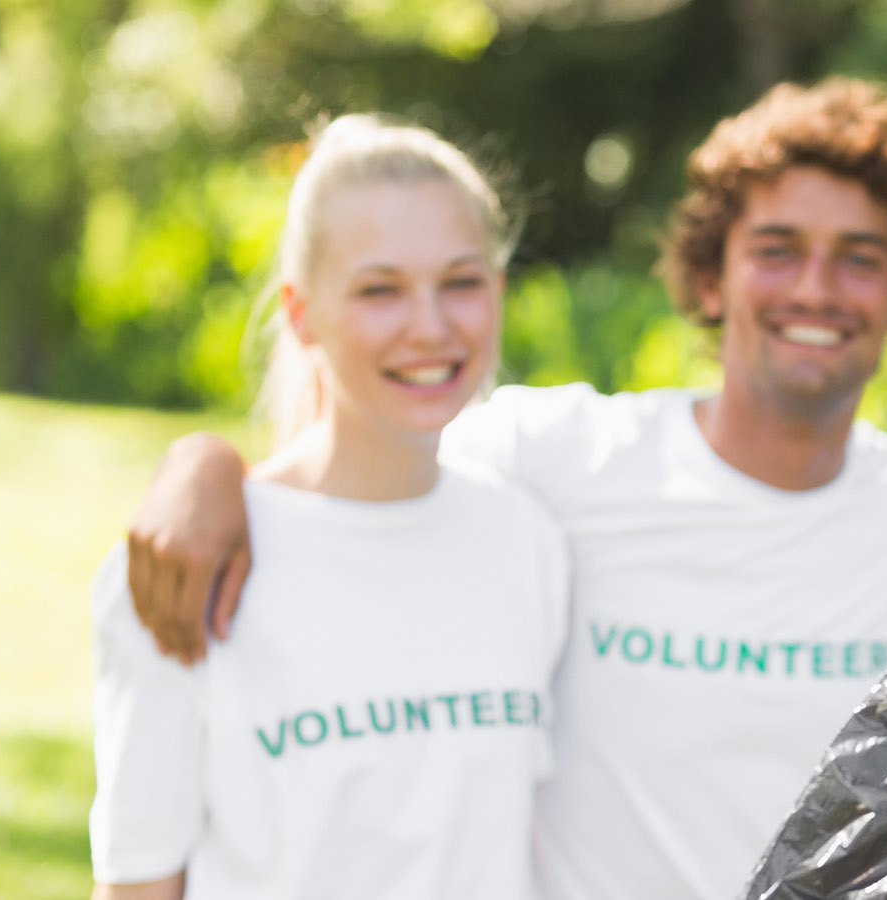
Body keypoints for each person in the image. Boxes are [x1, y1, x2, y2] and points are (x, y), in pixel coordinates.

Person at [117, 80, 887, 899]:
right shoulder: (558, 461)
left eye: (859, 258)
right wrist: (204, 464)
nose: (814, 288)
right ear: (710, 276)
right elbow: (370, 455)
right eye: (776, 249)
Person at [89, 116, 569, 899]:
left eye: (461, 281)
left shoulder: (531, 540)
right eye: (380, 289)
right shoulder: (185, 563)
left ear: (498, 290)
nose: (431, 326)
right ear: (303, 312)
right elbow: (139, 883)